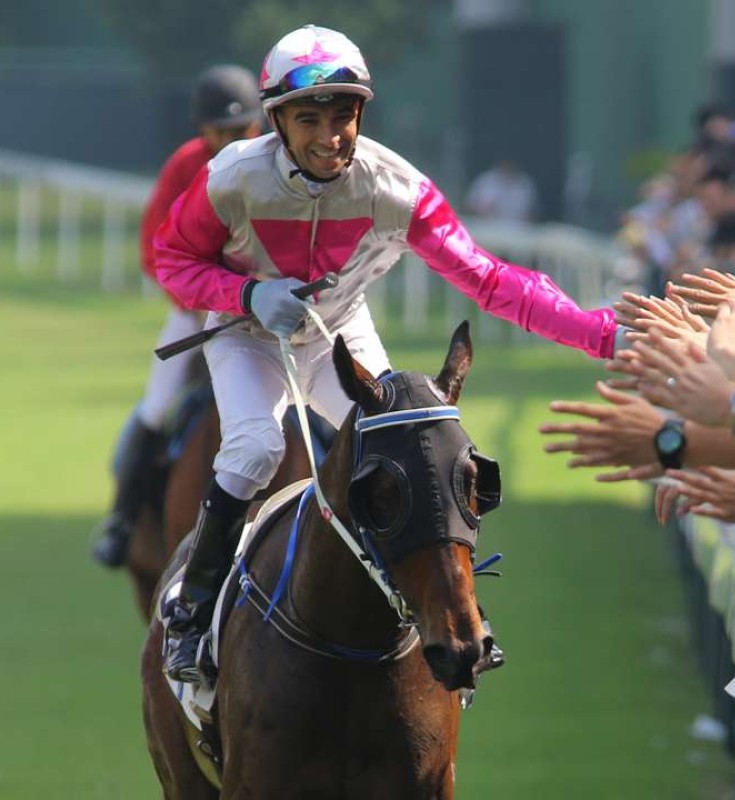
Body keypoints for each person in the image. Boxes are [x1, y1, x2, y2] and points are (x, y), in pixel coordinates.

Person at [153, 24, 617, 684]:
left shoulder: (395, 186)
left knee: (416, 447)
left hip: (340, 332)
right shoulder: (230, 178)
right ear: (276, 120)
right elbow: (173, 261)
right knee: (255, 447)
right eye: (308, 118)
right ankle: (192, 610)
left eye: (343, 114)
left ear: (362, 113)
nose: (328, 135)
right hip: (247, 336)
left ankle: (457, 612)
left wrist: (601, 333)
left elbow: (489, 278)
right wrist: (247, 294)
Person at [91, 64, 264, 568]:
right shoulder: (185, 165)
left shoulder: (280, 162)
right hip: (197, 312)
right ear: (200, 129)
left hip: (268, 311)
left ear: (259, 124)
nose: (231, 141)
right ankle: (122, 520)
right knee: (157, 407)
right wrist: (198, 299)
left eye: (241, 131)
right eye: (220, 132)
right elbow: (152, 248)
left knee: (333, 407)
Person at [464, 158, 539, 223]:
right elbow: (469, 207)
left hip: (516, 232)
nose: (508, 166)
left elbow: (532, 213)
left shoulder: (525, 184)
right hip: (485, 229)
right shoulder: (485, 181)